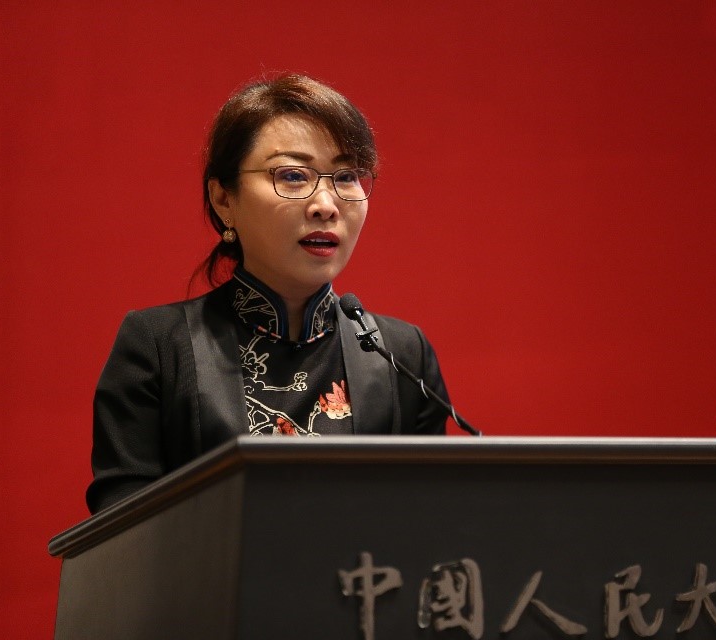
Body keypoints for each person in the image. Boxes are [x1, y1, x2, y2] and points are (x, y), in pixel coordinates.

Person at [87, 74, 450, 514]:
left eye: (346, 176)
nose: (325, 205)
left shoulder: (402, 355)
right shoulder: (158, 346)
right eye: (293, 175)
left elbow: (431, 521)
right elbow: (123, 528)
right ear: (224, 199)